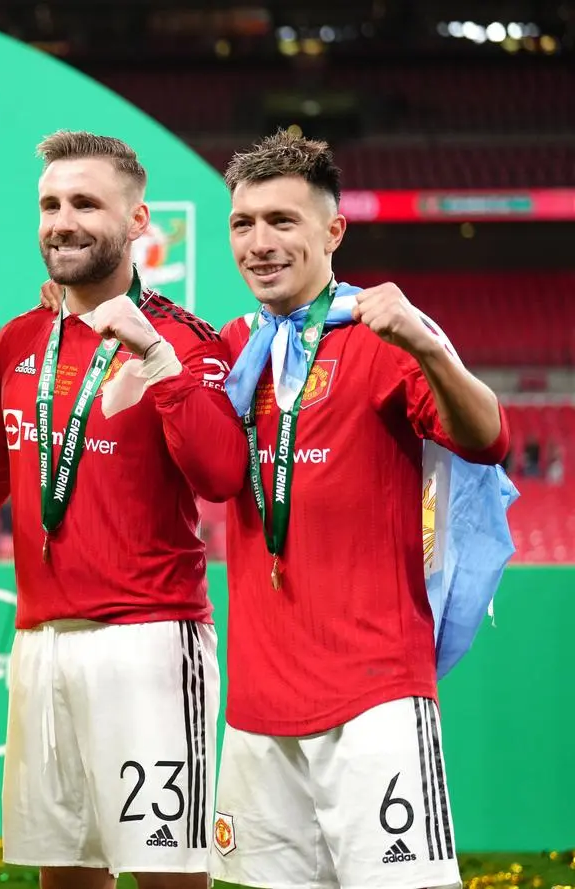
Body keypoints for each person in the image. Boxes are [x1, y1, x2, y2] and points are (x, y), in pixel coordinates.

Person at [0, 131, 248, 889]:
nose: (62, 220)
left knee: (167, 877)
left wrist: (158, 365)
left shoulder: (184, 340)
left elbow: (222, 473)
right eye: (50, 204)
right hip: (41, 646)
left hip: (150, 642)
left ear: (138, 222)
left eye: (86, 203)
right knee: (65, 876)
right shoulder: (20, 341)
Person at [210, 130, 511, 889]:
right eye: (244, 223)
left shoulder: (382, 334)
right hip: (259, 700)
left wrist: (430, 345)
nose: (260, 242)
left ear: (332, 231)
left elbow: (490, 437)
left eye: (283, 221)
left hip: (373, 692)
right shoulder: (234, 348)